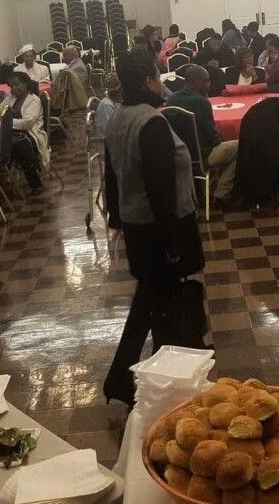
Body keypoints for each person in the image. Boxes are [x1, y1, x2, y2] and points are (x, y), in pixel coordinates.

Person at [103, 50, 205, 406]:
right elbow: (160, 189)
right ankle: (121, 378)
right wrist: (172, 243)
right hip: (162, 229)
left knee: (157, 302)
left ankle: (167, 371)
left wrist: (118, 221)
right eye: (157, 76)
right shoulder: (152, 123)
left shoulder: (118, 117)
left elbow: (111, 176)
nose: (161, 82)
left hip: (137, 228)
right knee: (152, 303)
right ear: (147, 81)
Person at [166, 65, 239, 204]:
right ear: (194, 82)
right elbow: (213, 139)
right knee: (242, 145)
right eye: (206, 81)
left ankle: (211, 188)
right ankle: (222, 192)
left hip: (179, 156)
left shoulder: (171, 100)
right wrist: (221, 139)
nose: (208, 84)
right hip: (203, 156)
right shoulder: (202, 102)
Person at [0, 73, 48, 194]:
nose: (13, 88)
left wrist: (4, 121)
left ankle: (34, 183)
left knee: (20, 144)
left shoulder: (34, 100)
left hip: (30, 134)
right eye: (11, 86)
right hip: (10, 132)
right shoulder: (10, 99)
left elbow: (26, 123)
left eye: (16, 84)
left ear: (25, 84)